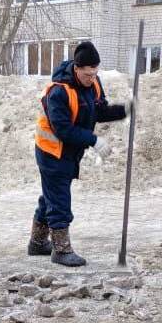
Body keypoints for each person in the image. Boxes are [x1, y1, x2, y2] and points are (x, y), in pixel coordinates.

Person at [30, 41, 132, 266]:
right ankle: (61, 250)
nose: (92, 78)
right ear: (76, 69)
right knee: (59, 199)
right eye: (87, 74)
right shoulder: (58, 91)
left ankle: (37, 243)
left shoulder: (94, 84)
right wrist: (93, 140)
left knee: (53, 194)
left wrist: (124, 110)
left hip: (69, 151)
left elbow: (99, 110)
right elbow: (63, 129)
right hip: (51, 150)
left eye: (95, 73)